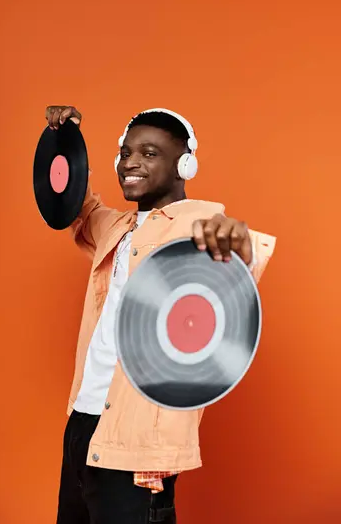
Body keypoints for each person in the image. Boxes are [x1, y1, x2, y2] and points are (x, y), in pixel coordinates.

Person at [45, 105, 276, 524]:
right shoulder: (115, 227)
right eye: (126, 152)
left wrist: (234, 240)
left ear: (183, 165)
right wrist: (64, 141)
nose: (131, 162)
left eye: (150, 153)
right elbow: (73, 203)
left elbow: (236, 253)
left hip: (137, 444)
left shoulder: (199, 222)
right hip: (82, 423)